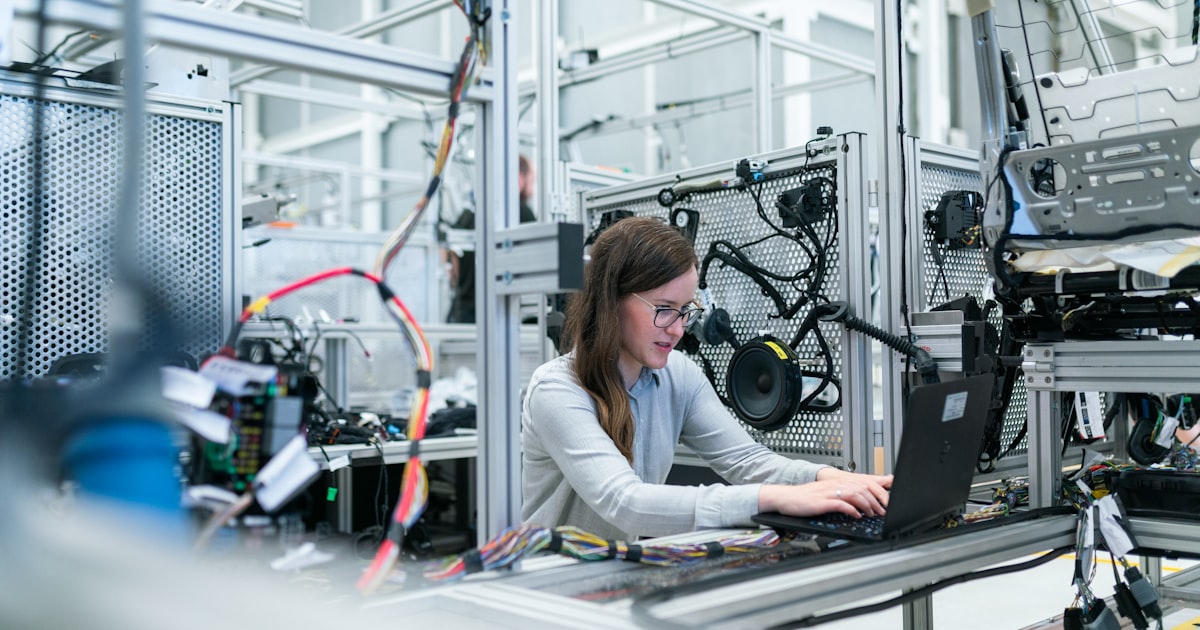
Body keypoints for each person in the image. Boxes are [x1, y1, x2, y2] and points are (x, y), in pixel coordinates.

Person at [521, 216, 893, 540]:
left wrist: (830, 479)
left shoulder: (678, 375)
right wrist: (772, 498)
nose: (678, 329)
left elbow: (747, 461)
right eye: (664, 310)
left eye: (686, 311)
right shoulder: (557, 389)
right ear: (611, 301)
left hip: (615, 575)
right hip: (552, 589)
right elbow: (625, 502)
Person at [446, 154, 536, 323]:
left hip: (463, 314)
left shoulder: (468, 214)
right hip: (500, 313)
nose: (533, 188)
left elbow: (450, 264)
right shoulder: (521, 212)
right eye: (532, 180)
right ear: (519, 178)